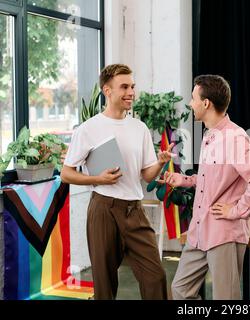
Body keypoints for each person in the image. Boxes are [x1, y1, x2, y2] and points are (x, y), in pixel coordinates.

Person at [61, 64, 173, 300]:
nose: (131, 92)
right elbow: (66, 173)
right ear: (107, 90)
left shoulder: (139, 128)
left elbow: (146, 175)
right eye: (124, 87)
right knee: (104, 283)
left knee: (156, 276)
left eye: (132, 86)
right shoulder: (88, 128)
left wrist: (160, 162)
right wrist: (97, 179)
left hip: (134, 210)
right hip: (103, 209)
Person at [162, 75, 250, 300]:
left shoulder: (234, 137)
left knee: (226, 299)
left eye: (193, 99)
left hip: (224, 232)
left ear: (206, 103)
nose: (190, 104)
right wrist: (184, 180)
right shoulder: (209, 136)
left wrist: (235, 210)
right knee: (180, 290)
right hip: (200, 229)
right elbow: (213, 180)